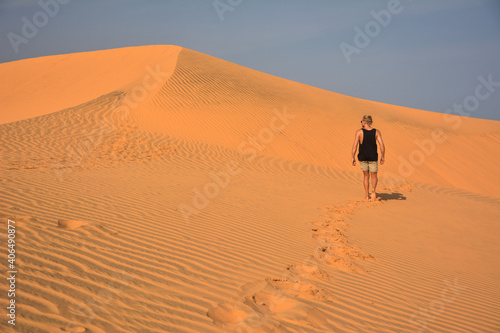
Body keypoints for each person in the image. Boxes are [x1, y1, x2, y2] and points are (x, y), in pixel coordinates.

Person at [351, 115, 385, 201]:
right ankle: (373, 189)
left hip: (363, 157)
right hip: (373, 157)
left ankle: (367, 195)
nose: (361, 122)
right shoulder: (376, 132)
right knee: (374, 175)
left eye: (361, 121)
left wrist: (353, 157)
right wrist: (383, 156)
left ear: (365, 122)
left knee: (366, 176)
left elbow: (355, 146)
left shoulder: (359, 132)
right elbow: (382, 145)